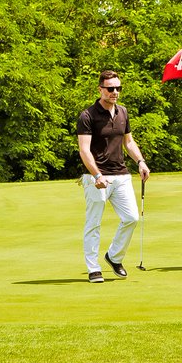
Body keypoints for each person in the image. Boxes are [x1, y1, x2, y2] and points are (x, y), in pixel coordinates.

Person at [76, 70, 151, 283]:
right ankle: (93, 268)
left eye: (118, 88)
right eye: (110, 89)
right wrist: (96, 174)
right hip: (96, 178)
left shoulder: (123, 112)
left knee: (131, 218)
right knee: (94, 223)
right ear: (100, 89)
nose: (115, 92)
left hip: (121, 175)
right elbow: (84, 150)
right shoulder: (87, 116)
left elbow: (128, 142)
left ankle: (114, 256)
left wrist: (141, 161)